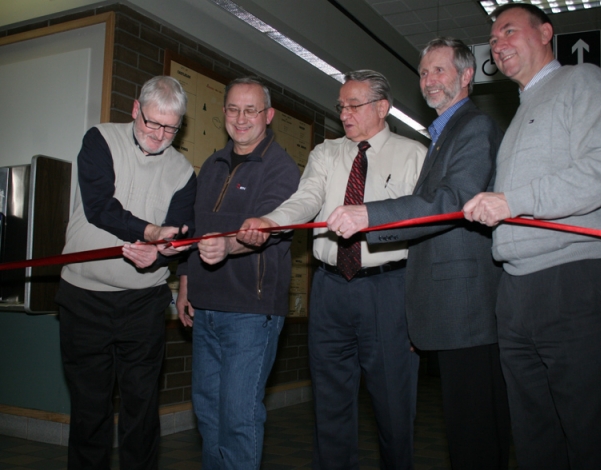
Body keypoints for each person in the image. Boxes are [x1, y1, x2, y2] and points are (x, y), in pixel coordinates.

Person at [463, 4, 601, 469]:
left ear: (546, 32)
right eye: (493, 39)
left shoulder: (584, 81)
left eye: (508, 31)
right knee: (537, 439)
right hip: (519, 293)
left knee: (595, 436)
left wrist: (511, 200)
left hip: (576, 283)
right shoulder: (520, 113)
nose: (497, 44)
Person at [325, 38, 510, 470]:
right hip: (446, 308)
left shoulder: (473, 127)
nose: (429, 81)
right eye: (424, 72)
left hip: (467, 309)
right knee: (467, 430)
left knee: (476, 430)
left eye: (440, 70)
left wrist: (370, 215)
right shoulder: (443, 136)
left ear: (467, 76)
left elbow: (454, 200)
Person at [238, 70, 426, 469]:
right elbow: (306, 199)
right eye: (341, 105)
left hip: (388, 290)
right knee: (330, 407)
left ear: (382, 107)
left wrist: (420, 309)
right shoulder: (326, 153)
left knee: (394, 408)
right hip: (330, 290)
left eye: (354, 105)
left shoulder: (414, 155)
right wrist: (273, 221)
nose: (344, 113)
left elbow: (425, 227)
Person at [56, 75, 197, 469]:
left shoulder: (185, 172)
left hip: (143, 303)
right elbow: (100, 207)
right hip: (84, 298)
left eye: (171, 127)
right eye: (152, 123)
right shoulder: (100, 139)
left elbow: (181, 235)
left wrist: (163, 253)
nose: (159, 135)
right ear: (136, 109)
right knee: (89, 408)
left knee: (141, 408)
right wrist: (150, 231)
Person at [175, 77, 300, 469]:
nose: (240, 118)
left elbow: (262, 228)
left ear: (269, 115)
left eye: (251, 110)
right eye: (232, 109)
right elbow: (192, 231)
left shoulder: (282, 169)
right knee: (209, 413)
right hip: (205, 306)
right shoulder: (211, 165)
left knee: (238, 417)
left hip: (251, 312)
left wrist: (227, 245)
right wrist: (184, 284)